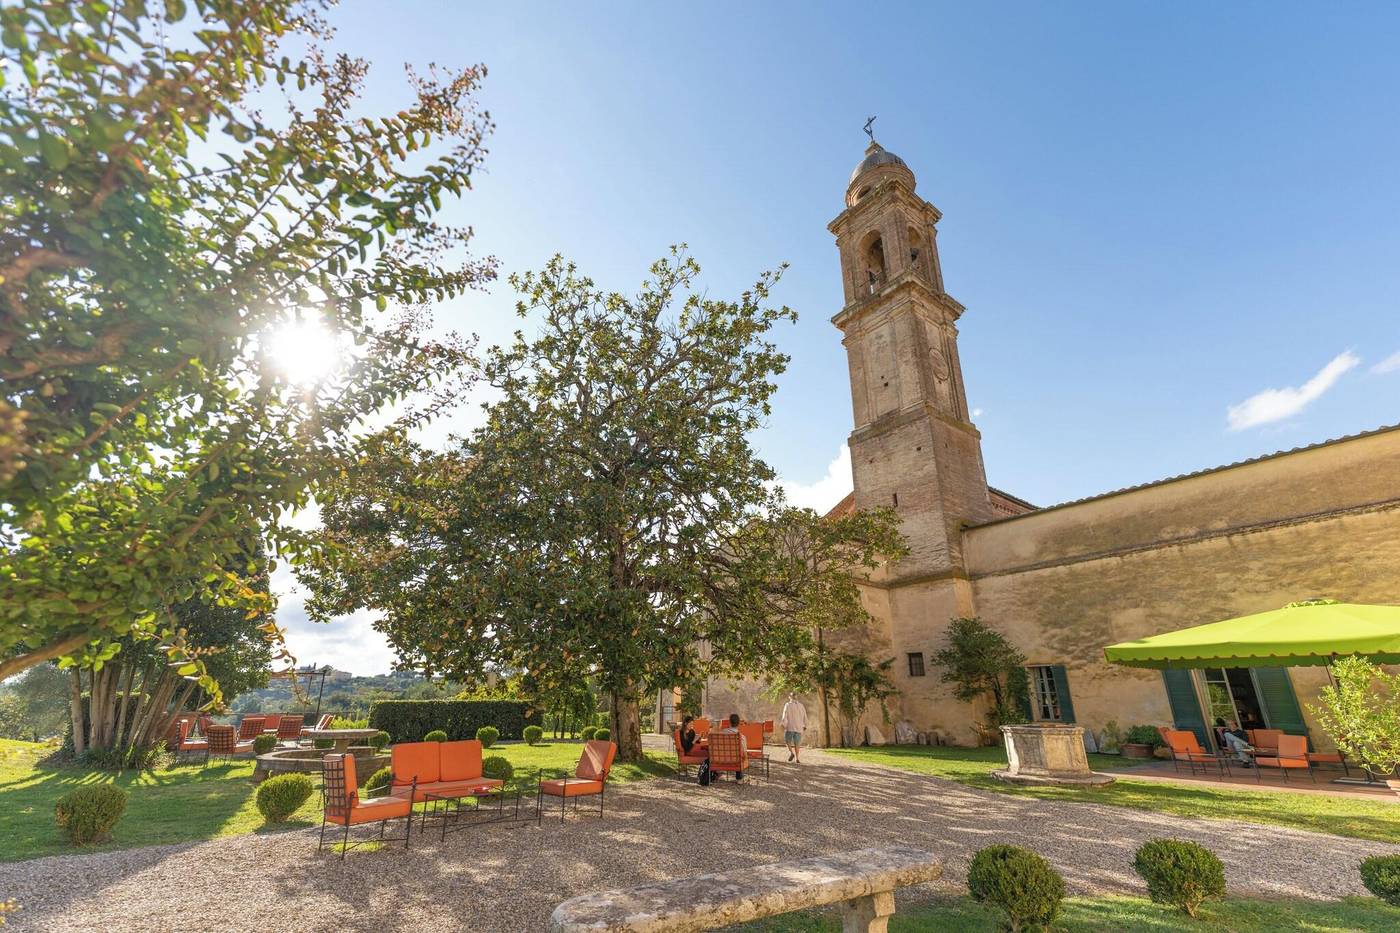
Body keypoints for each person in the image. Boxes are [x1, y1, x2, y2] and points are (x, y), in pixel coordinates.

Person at [718, 712, 748, 781]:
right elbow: (744, 753)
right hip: (736, 761)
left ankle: (717, 774)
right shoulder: (741, 737)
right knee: (739, 755)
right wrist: (746, 758)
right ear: (738, 723)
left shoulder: (721, 733)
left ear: (729, 722)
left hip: (722, 759)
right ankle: (739, 778)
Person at [780, 693, 807, 764]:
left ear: (789, 697)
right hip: (799, 727)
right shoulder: (801, 705)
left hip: (790, 727)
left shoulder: (787, 705)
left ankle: (792, 753)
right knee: (797, 744)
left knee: (787, 741)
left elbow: (784, 715)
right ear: (796, 697)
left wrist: (784, 724)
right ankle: (797, 758)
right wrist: (804, 725)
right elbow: (805, 715)